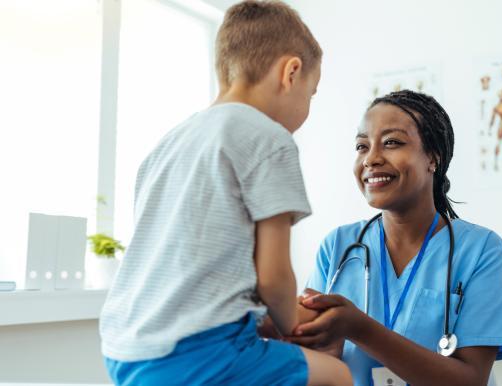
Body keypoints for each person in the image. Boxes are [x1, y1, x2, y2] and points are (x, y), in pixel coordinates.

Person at [98, 1, 351, 385]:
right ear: (291, 72)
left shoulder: (170, 143)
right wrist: (289, 325)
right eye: (311, 94)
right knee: (336, 375)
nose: (307, 108)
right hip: (194, 351)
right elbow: (273, 278)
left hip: (125, 351)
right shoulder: (269, 138)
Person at [288, 90, 502, 386]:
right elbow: (312, 358)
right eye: (361, 146)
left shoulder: (481, 250)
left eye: (392, 143)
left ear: (433, 157)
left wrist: (360, 329)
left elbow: (471, 379)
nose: (371, 159)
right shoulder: (338, 247)